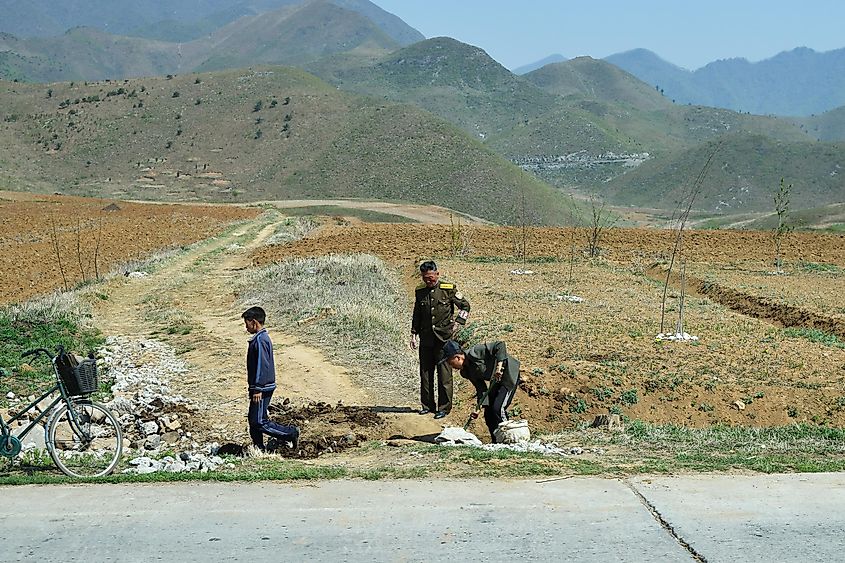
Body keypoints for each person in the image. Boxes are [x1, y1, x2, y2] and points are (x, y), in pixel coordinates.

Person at [410, 261, 470, 419]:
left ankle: (444, 408)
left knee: (444, 376)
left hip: (444, 339)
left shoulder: (448, 289)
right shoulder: (420, 291)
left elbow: (465, 306)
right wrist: (413, 333)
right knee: (425, 374)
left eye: (430, 277)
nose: (428, 281)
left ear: (437, 274)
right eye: (425, 278)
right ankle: (427, 406)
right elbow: (417, 313)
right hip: (426, 339)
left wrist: (459, 323)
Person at [242, 306, 299, 451]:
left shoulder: (261, 340)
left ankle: (291, 433)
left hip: (262, 388)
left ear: (254, 322)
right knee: (253, 419)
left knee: (260, 421)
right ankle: (258, 447)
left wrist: (258, 388)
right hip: (260, 387)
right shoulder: (260, 338)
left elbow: (263, 365)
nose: (245, 327)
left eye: (246, 323)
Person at [441, 339, 521, 443]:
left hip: (508, 373)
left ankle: (508, 438)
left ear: (457, 357)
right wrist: (478, 408)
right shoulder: (466, 372)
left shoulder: (475, 352)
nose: (451, 366)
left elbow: (500, 345)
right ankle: (496, 441)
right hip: (496, 380)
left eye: (450, 362)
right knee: (488, 412)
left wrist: (498, 367)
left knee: (498, 408)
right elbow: (481, 389)